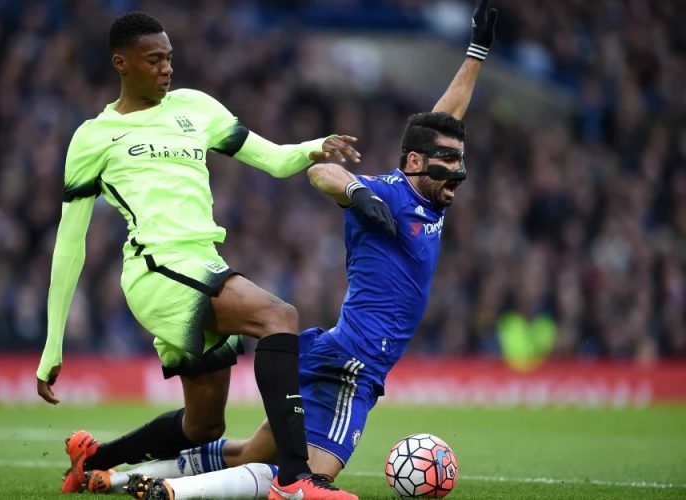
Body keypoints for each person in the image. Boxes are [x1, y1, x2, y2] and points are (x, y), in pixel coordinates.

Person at [80, 1, 499, 498]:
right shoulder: (389, 192)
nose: (458, 173)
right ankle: (177, 493)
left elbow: (442, 119)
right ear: (415, 161)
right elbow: (325, 172)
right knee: (299, 480)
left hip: (336, 348)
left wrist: (477, 51)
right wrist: (357, 194)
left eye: (458, 162)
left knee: (250, 452)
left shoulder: (430, 199)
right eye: (448, 162)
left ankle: (113, 473)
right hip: (354, 365)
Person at [35, 10, 365, 500]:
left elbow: (273, 159)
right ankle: (297, 482)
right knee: (279, 315)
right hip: (157, 271)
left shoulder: (194, 107)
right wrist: (52, 344)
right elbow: (68, 244)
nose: (167, 69)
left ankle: (94, 460)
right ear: (121, 63)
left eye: (169, 58)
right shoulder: (93, 136)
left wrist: (313, 147)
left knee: (204, 426)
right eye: (154, 60)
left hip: (202, 263)